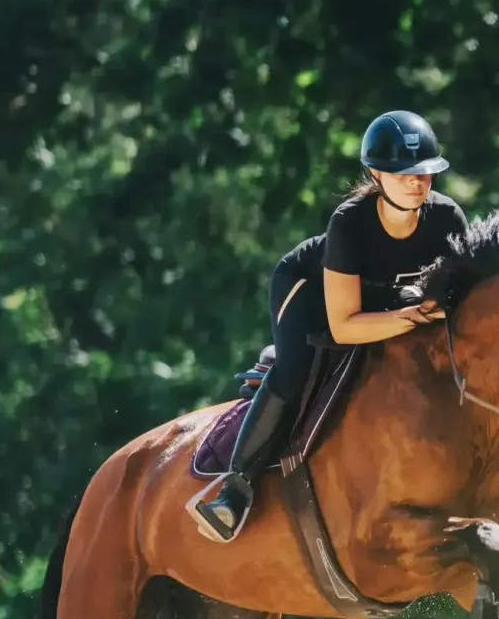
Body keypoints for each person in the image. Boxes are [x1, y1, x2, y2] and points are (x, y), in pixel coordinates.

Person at [189, 109, 469, 543]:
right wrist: (414, 316)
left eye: (424, 173)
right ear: (376, 174)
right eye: (403, 174)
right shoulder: (351, 222)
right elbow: (344, 328)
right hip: (312, 295)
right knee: (294, 371)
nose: (417, 182)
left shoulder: (448, 218)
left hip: (387, 304)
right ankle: (234, 489)